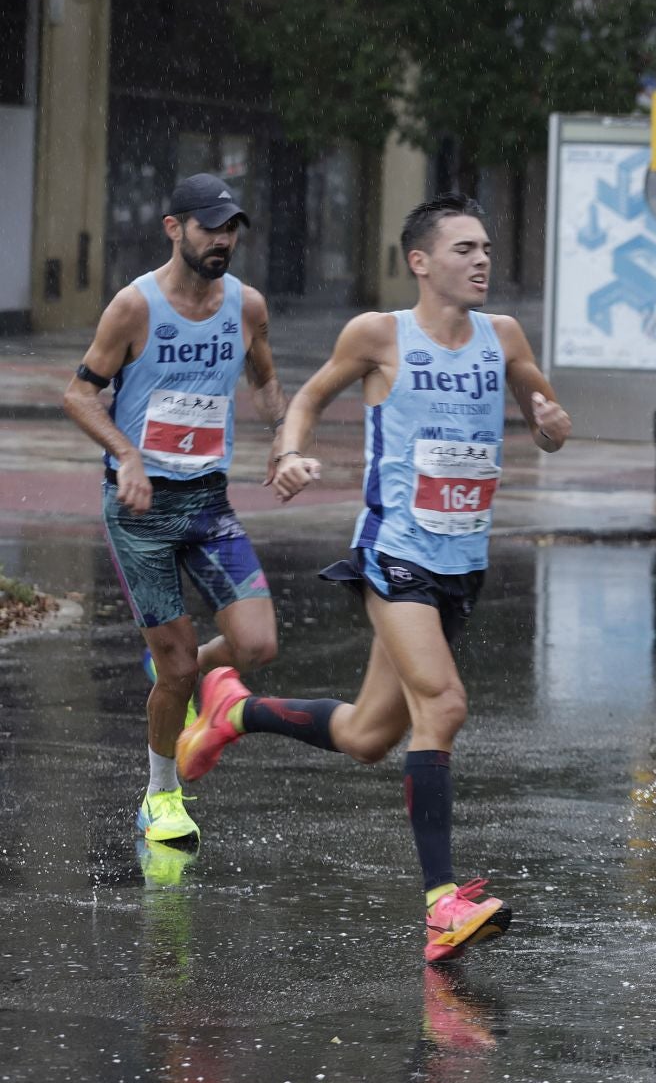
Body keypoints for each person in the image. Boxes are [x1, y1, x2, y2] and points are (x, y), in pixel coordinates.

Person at [173, 193, 573, 962]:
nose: (482, 260)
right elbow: (312, 397)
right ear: (420, 262)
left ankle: (232, 710)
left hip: (463, 564)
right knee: (444, 705)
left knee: (367, 735)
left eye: (486, 247)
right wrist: (289, 452)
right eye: (464, 249)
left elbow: (546, 413)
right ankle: (442, 904)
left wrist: (552, 426)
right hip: (395, 554)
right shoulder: (378, 335)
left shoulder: (505, 336)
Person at [62, 173, 288, 847]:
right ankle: (161, 795)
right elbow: (78, 395)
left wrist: (286, 439)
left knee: (257, 644)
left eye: (231, 229)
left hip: (208, 503)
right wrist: (126, 456)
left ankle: (173, 670)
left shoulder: (247, 307)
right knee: (182, 667)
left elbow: (266, 380)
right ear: (174, 228)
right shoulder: (134, 307)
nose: (223, 240)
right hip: (141, 511)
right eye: (209, 227)